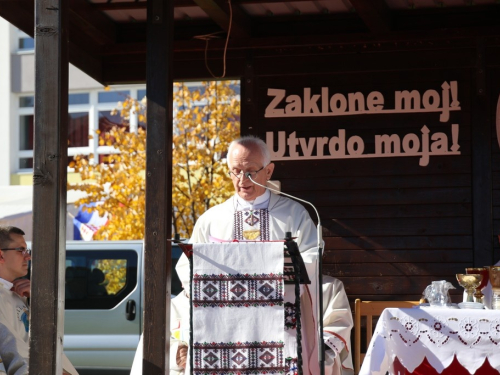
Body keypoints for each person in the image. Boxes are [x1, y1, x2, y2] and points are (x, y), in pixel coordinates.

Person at [171, 136, 350, 374]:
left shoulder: (294, 213)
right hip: (226, 324)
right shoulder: (212, 219)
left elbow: (311, 260)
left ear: (269, 171)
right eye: (235, 172)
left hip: (280, 320)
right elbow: (187, 267)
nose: (242, 180)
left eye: (250, 172)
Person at [0, 226, 78, 375]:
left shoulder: (18, 293)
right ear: (1, 256)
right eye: (20, 250)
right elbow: (15, 353)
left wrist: (37, 300)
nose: (27, 257)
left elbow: (43, 341)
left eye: (27, 251)